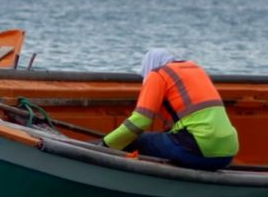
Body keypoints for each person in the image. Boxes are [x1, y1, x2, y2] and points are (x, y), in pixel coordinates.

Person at [100, 48, 240, 170]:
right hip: (227, 154)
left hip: (197, 152)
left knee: (135, 140)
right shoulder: (195, 69)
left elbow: (140, 121)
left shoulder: (157, 74)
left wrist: (106, 145)